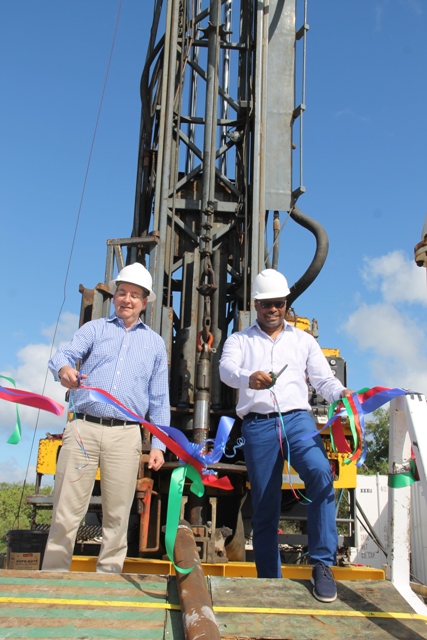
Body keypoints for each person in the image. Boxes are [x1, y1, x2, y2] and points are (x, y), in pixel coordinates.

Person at [219, 268, 353, 603]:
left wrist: (343, 394)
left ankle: (322, 564)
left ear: (285, 303)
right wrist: (250, 378)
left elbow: (324, 380)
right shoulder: (239, 339)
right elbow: (225, 370)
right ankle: (269, 581)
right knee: (265, 504)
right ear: (256, 304)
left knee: (321, 473)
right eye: (266, 304)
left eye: (278, 303)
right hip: (259, 425)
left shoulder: (303, 340)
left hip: (297, 420)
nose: (272, 309)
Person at [42, 262, 170, 573]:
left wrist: (159, 445)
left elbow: (159, 399)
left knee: (117, 514)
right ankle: (53, 578)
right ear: (114, 296)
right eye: (122, 293)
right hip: (83, 428)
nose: (127, 299)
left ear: (144, 302)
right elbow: (62, 355)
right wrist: (64, 370)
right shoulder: (94, 330)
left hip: (125, 435)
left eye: (134, 295)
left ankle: (108, 579)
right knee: (66, 511)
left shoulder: (154, 343)